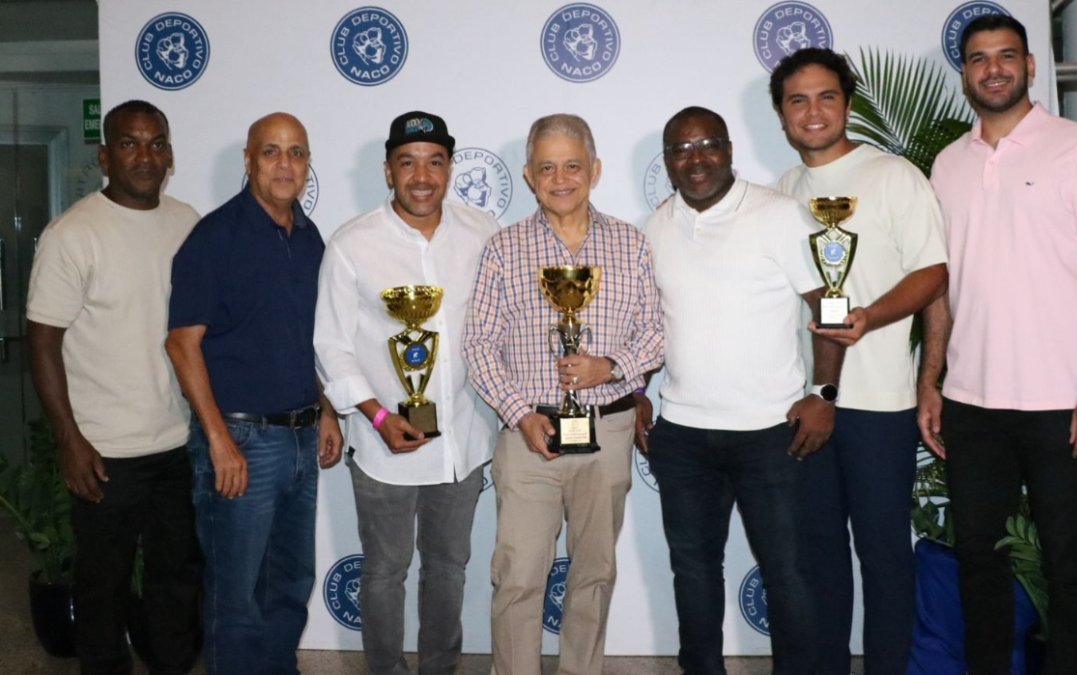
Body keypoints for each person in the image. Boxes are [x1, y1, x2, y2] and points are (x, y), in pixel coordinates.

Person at [919, 15, 1077, 675]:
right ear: (965, 73)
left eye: (1006, 55)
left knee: (1069, 562)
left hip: (1060, 402)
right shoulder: (947, 163)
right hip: (970, 401)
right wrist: (930, 379)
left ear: (1030, 65)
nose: (993, 68)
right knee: (978, 559)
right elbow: (942, 286)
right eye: (979, 58)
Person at [641, 106, 842, 675]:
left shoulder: (780, 216)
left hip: (769, 432)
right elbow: (645, 326)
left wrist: (824, 393)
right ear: (668, 161)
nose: (696, 158)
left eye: (707, 144)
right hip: (681, 433)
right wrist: (637, 393)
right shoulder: (654, 227)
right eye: (681, 149)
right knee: (693, 569)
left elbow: (830, 304)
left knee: (787, 572)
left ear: (729, 149)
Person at [462, 113, 664, 675]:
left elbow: (656, 331)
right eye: (546, 166)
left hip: (610, 429)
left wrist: (611, 365)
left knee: (594, 573)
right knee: (519, 575)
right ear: (528, 175)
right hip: (529, 435)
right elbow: (479, 344)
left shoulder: (632, 244)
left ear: (594, 170)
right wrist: (519, 413)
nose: (560, 177)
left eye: (572, 164)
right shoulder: (504, 249)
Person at [768, 49, 949, 674]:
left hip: (880, 404)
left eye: (825, 97)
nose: (812, 112)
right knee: (818, 555)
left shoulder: (894, 176)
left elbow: (933, 273)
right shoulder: (782, 191)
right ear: (782, 115)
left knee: (883, 556)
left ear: (846, 104)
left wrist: (869, 316)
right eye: (798, 100)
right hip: (809, 406)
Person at [314, 111, 499, 675]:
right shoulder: (352, 243)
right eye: (408, 162)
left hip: (462, 442)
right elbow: (331, 344)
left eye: (435, 162)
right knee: (385, 571)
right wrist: (373, 416)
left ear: (449, 168)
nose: (422, 175)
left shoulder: (484, 233)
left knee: (449, 568)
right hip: (381, 444)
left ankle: (439, 668)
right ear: (388, 170)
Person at [26, 99, 202, 675]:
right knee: (101, 591)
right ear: (105, 154)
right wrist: (69, 440)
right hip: (105, 453)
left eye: (156, 143)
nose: (144, 156)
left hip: (177, 444)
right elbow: (43, 342)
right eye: (129, 143)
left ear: (170, 155)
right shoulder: (71, 234)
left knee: (176, 583)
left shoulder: (187, 223)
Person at [165, 112, 343, 675]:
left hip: (300, 436)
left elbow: (297, 341)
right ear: (249, 160)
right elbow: (181, 344)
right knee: (235, 599)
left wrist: (328, 408)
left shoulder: (310, 237)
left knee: (289, 585)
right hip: (240, 440)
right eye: (272, 152)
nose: (285, 164)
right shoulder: (215, 237)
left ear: (309, 164)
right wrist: (219, 441)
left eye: (296, 152)